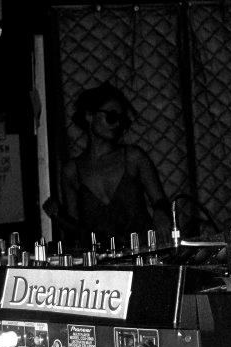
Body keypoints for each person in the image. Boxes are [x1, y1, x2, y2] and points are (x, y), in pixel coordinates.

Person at [43, 82, 173, 246]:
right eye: (111, 117)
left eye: (121, 119)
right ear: (89, 115)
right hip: (103, 258)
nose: (117, 124)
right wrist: (58, 215)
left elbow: (160, 200)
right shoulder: (72, 172)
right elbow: (77, 231)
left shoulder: (133, 158)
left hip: (144, 253)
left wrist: (161, 213)